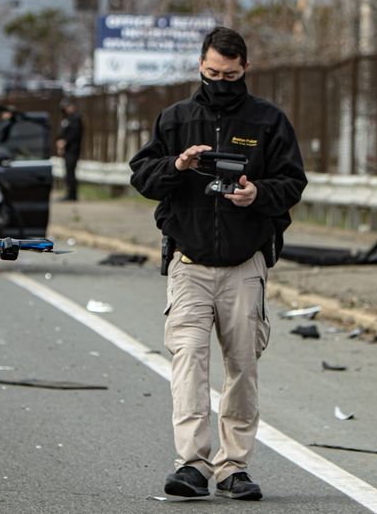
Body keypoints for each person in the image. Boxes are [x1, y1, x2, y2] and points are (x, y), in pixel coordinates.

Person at [129, 26, 307, 501]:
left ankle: (233, 468)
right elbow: (142, 176)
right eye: (212, 73)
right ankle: (191, 464)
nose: (220, 80)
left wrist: (257, 194)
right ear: (200, 67)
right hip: (189, 262)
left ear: (245, 68)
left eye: (229, 74)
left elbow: (293, 181)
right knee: (188, 359)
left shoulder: (268, 121)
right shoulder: (174, 119)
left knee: (243, 365)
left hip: (244, 264)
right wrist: (178, 166)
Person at [56, 98, 83, 201]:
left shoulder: (76, 118)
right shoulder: (67, 119)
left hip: (73, 149)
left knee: (71, 172)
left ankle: (72, 195)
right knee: (68, 172)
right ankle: (69, 193)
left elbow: (75, 134)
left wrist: (65, 141)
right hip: (67, 149)